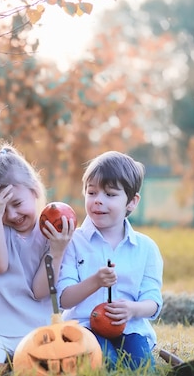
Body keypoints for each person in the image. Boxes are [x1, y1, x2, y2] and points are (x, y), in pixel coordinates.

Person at [0, 143, 75, 374]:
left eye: (17, 204)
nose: (11, 215)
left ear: (35, 191)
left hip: (34, 328)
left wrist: (57, 251)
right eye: (3, 208)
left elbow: (40, 291)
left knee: (50, 370)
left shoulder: (51, 230)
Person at [57, 151, 163, 371]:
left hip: (130, 327)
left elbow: (153, 301)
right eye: (92, 192)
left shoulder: (146, 248)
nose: (98, 201)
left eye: (110, 194)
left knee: (142, 367)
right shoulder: (73, 242)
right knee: (106, 364)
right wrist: (94, 281)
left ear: (131, 202)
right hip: (84, 327)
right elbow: (64, 300)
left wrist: (132, 309)